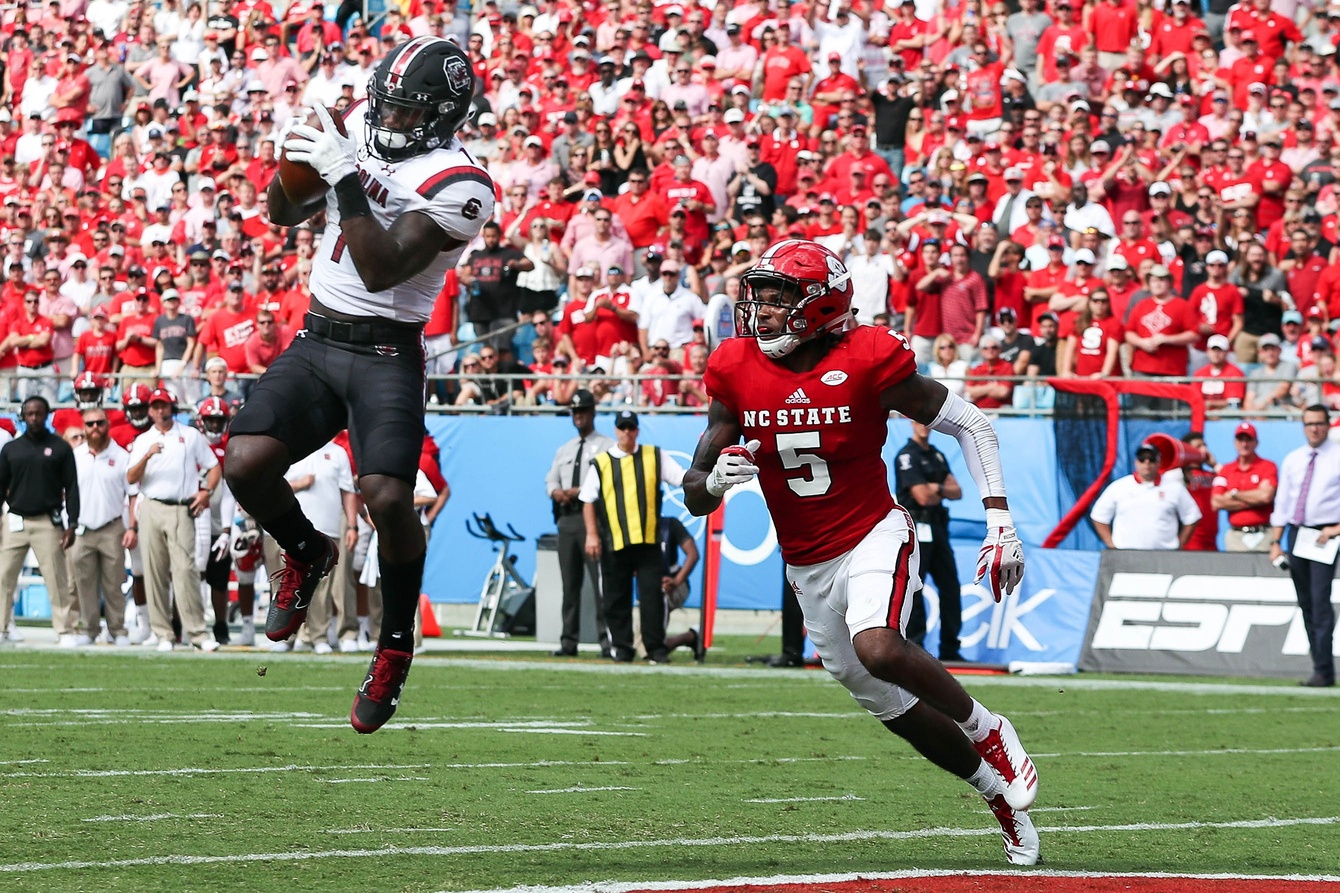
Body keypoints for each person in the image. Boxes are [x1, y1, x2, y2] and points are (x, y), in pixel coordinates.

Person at [683, 240, 1039, 865]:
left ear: (820, 305)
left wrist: (1000, 522)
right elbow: (696, 493)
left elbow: (972, 424)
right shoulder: (734, 365)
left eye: (778, 296)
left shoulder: (869, 356)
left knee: (877, 644)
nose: (761, 308)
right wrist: (712, 481)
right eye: (758, 294)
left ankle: (989, 729)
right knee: (884, 698)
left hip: (874, 530)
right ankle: (994, 794)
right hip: (806, 561)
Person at [225, 38, 495, 733]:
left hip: (385, 349)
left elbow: (380, 269)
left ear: (442, 116)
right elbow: (281, 214)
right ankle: (310, 550)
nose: (388, 120)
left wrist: (345, 175)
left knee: (385, 495)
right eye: (385, 105)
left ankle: (394, 646)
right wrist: (294, 162)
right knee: (245, 462)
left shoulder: (461, 183)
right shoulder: (360, 125)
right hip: (317, 337)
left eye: (406, 110)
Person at [580, 409, 686, 664]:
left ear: (637, 430)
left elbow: (680, 477)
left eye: (631, 427)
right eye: (622, 427)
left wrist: (706, 477)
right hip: (615, 540)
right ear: (616, 430)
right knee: (616, 597)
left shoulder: (653, 456)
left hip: (648, 541)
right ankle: (622, 647)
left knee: (652, 597)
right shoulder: (603, 462)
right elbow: (587, 499)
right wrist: (592, 535)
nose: (627, 432)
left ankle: (655, 648)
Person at [127, 389, 222, 653]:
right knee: (154, 571)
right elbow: (131, 478)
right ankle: (163, 634)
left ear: (172, 407)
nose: (160, 411)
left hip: (181, 506)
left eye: (164, 406)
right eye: (155, 407)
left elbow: (214, 466)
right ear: (149, 410)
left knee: (185, 569)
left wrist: (207, 492)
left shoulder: (190, 436)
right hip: (152, 506)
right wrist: (147, 455)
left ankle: (198, 633)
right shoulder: (143, 440)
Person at [1269, 405, 1340, 688]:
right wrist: (1275, 541)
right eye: (1309, 423)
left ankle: (1324, 670)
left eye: (1319, 423)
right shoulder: (1294, 459)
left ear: (1328, 424)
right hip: (1298, 534)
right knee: (1306, 603)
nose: (1314, 428)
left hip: (1326, 534)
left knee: (1320, 601)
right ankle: (1318, 665)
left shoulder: (1337, 456)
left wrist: (1335, 530)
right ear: (1303, 426)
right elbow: (1283, 502)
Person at [0, 397, 80, 646]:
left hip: (47, 521)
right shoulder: (11, 449)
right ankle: (1, 628)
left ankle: (64, 630)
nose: (34, 418)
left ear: (47, 415)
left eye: (39, 413)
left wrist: (73, 523)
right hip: (16, 520)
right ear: (23, 416)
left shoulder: (60, 448)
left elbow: (72, 487)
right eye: (30, 413)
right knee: (4, 577)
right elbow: (1, 487)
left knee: (56, 579)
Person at [271, 438, 360, 654]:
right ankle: (286, 636)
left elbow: (348, 491)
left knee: (322, 586)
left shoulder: (337, 452)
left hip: (326, 527)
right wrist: (299, 484)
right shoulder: (288, 449)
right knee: (287, 583)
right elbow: (271, 485)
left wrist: (352, 525)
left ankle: (318, 636)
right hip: (290, 527)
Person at [545, 389, 615, 658]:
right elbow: (550, 479)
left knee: (599, 583)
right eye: (575, 412)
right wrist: (556, 492)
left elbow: (606, 482)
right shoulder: (566, 448)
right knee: (569, 583)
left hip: (593, 519)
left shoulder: (606, 445)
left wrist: (577, 491)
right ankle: (568, 640)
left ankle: (606, 641)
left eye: (583, 411)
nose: (579, 416)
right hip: (567, 519)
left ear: (593, 413)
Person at [895, 422, 965, 663]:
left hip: (938, 527)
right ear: (911, 422)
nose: (924, 426)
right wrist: (940, 488)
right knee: (915, 587)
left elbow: (958, 492)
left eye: (927, 421)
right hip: (916, 528)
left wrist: (936, 488)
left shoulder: (936, 455)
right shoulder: (907, 456)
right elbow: (922, 497)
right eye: (918, 421)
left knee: (950, 587)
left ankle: (950, 648)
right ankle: (916, 646)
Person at [69, 407, 136, 647]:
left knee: (114, 582)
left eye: (99, 423)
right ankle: (89, 629)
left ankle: (117, 630)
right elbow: (66, 493)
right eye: (90, 424)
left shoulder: (121, 456)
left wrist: (131, 527)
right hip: (82, 527)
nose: (95, 428)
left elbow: (132, 495)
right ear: (84, 428)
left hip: (112, 525)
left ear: (107, 425)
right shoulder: (75, 456)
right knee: (83, 583)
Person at [1091, 443, 1202, 550]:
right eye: (1142, 459)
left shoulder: (1174, 488)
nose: (1147, 463)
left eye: (1152, 459)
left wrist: (1179, 544)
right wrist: (1111, 544)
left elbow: (1192, 516)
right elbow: (1099, 516)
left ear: (1159, 462)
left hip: (1164, 554)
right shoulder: (1119, 486)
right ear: (1136, 462)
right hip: (1126, 554)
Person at [1212, 422, 1278, 553]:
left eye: (1248, 439)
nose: (1244, 444)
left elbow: (1265, 496)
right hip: (1236, 535)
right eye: (1240, 440)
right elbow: (1216, 502)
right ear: (1234, 442)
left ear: (1256, 443)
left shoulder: (1267, 466)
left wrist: (1234, 494)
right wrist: (1253, 500)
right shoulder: (1226, 470)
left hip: (1263, 533)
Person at [658, 516, 703, 660]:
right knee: (642, 648)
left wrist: (676, 581)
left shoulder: (670, 524)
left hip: (675, 583)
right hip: (651, 583)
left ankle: (659, 643)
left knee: (652, 647)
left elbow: (693, 554)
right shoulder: (633, 527)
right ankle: (691, 637)